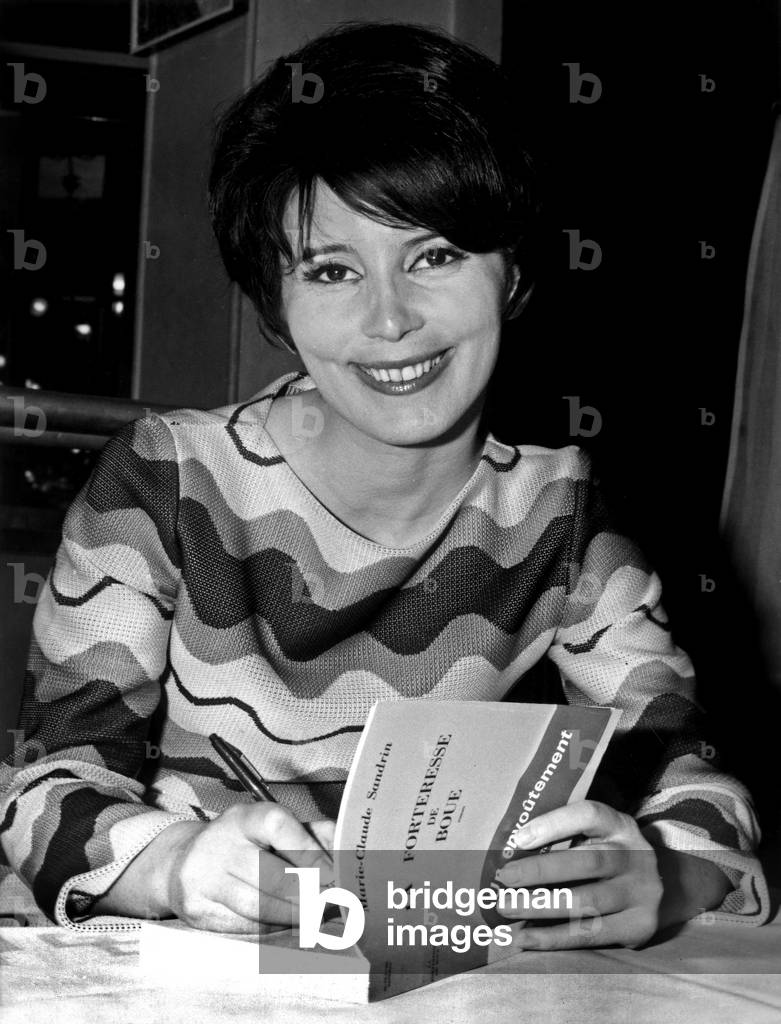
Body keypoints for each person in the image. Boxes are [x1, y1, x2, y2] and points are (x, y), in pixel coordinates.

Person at [0, 22, 768, 946]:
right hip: (180, 964)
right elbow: (47, 785)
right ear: (275, 308)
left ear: (512, 271)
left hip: (439, 972)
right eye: (330, 270)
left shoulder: (561, 515)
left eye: (435, 255)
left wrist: (663, 872)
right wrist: (175, 867)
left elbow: (695, 779)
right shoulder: (165, 480)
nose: (391, 317)